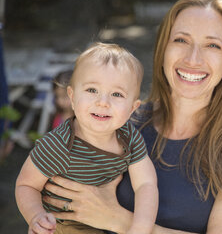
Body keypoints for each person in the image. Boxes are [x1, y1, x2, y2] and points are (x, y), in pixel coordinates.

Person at [41, 0, 222, 233]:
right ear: (162, 51)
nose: (193, 58)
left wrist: (117, 219)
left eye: (212, 45)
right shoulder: (120, 121)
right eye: (181, 40)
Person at [15, 42, 158, 234]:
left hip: (106, 224)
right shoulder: (58, 145)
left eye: (117, 94)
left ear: (133, 107)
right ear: (72, 97)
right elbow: (26, 185)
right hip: (63, 225)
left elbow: (146, 184)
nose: (103, 102)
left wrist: (141, 227)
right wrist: (36, 216)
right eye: (92, 90)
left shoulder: (129, 137)